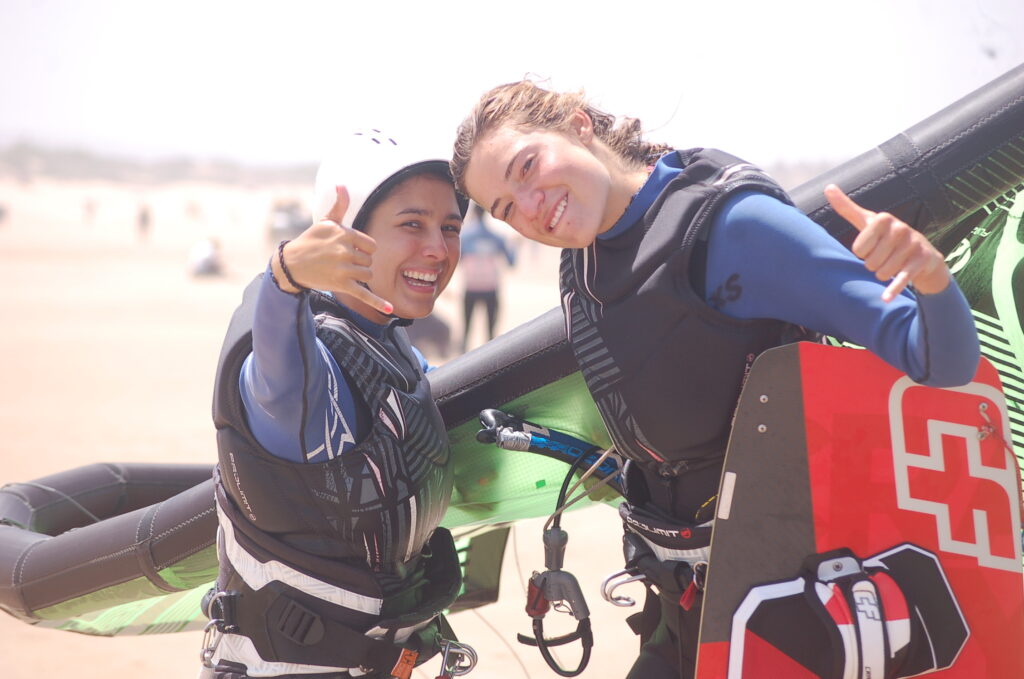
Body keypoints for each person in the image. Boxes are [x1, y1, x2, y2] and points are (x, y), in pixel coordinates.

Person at [450, 81, 981, 679]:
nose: (529, 206)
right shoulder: (584, 257)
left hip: (785, 605)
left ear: (579, 124)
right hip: (681, 596)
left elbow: (940, 361)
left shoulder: (729, 227)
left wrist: (931, 280)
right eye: (505, 208)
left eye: (528, 167)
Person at [203, 130, 470, 679]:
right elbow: (280, 382)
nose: (439, 250)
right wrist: (286, 279)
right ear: (343, 236)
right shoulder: (309, 368)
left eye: (450, 228)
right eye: (412, 224)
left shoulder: (391, 345)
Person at [458, 202, 516, 351]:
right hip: (491, 288)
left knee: (466, 331)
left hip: (470, 287)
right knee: (490, 334)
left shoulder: (465, 237)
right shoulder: (496, 237)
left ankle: (461, 367)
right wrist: (515, 246)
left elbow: (457, 261)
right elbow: (511, 262)